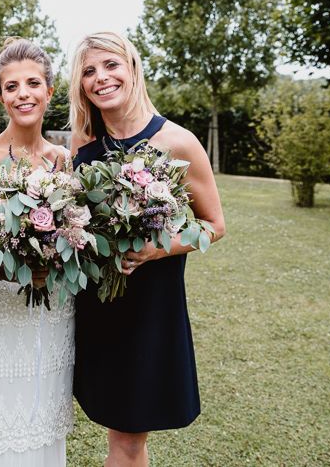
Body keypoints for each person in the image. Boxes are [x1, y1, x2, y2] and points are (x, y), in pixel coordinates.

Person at [69, 31, 226, 467]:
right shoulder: (83, 148)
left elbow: (214, 226)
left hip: (150, 308)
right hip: (98, 304)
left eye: (111, 65)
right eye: (89, 72)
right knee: (112, 423)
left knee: (129, 436)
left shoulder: (177, 142)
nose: (101, 78)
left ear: (133, 67)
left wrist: (160, 249)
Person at [0, 38, 74, 467]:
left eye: (33, 83)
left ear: (49, 91)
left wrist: (54, 259)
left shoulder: (64, 160)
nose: (23, 93)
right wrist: (18, 264)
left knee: (39, 426)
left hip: (51, 315)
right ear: (0, 96)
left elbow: (74, 235)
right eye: (12, 86)